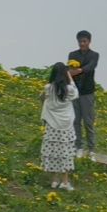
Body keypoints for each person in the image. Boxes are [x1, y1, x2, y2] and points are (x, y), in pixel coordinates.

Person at [41, 62, 77, 191]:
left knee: (53, 151)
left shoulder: (48, 87)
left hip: (52, 124)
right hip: (66, 125)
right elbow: (75, 92)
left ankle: (54, 180)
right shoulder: (70, 89)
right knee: (65, 152)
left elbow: (44, 98)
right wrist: (70, 76)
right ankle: (65, 182)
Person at [68, 30, 99, 158]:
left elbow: (90, 67)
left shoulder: (94, 55)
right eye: (80, 41)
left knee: (88, 121)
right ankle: (78, 146)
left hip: (87, 92)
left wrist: (78, 70)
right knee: (76, 120)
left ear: (89, 41)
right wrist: (73, 72)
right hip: (75, 91)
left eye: (84, 41)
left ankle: (91, 149)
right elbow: (69, 70)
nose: (82, 43)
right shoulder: (72, 54)